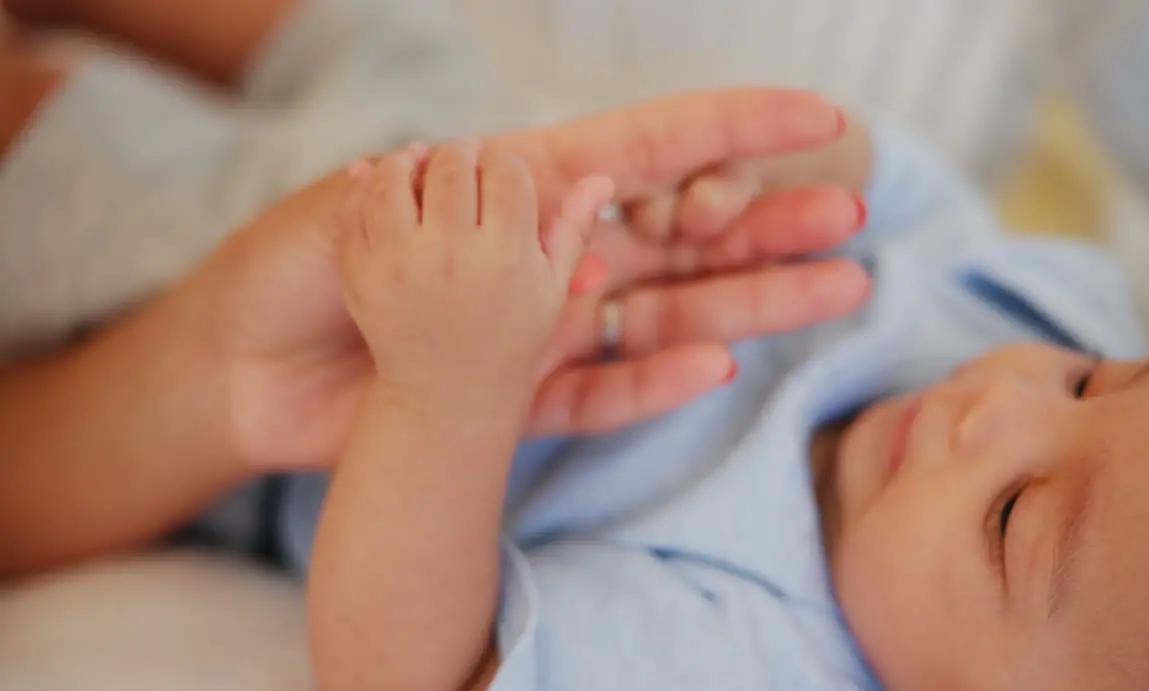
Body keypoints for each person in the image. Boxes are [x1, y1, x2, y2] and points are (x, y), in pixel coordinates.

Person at [302, 118, 1149, 691]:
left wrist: (442, 388)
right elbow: (903, 193)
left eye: (1012, 515)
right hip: (467, 154)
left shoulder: (747, 680)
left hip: (302, 387)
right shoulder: (1022, 327)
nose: (997, 398)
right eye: (1088, 382)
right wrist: (777, 170)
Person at [0, 86, 870, 577]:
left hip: (253, 317)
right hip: (468, 108)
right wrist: (752, 175)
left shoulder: (763, 673)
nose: (999, 420)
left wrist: (447, 396)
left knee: (66, 146)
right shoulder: (1002, 313)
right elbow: (877, 170)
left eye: (1013, 517)